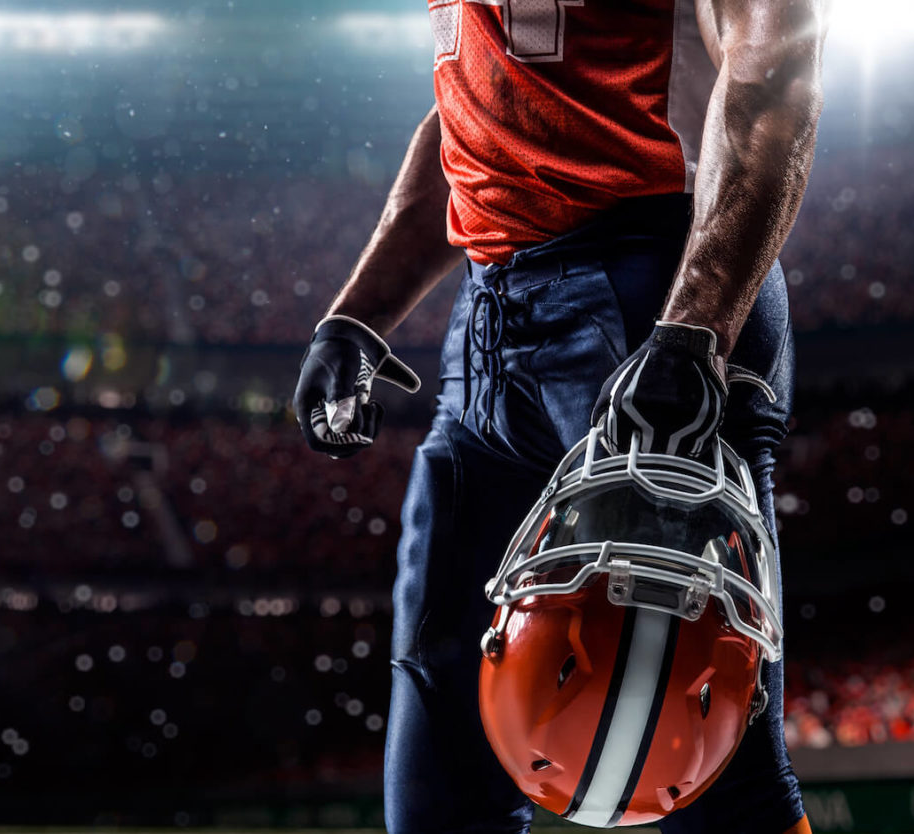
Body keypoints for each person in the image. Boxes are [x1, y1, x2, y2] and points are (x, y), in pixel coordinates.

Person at [293, 0, 827, 831]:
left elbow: (771, 71)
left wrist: (695, 327)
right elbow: (476, 112)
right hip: (492, 310)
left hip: (658, 285)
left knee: (705, 747)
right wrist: (358, 314)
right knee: (444, 720)